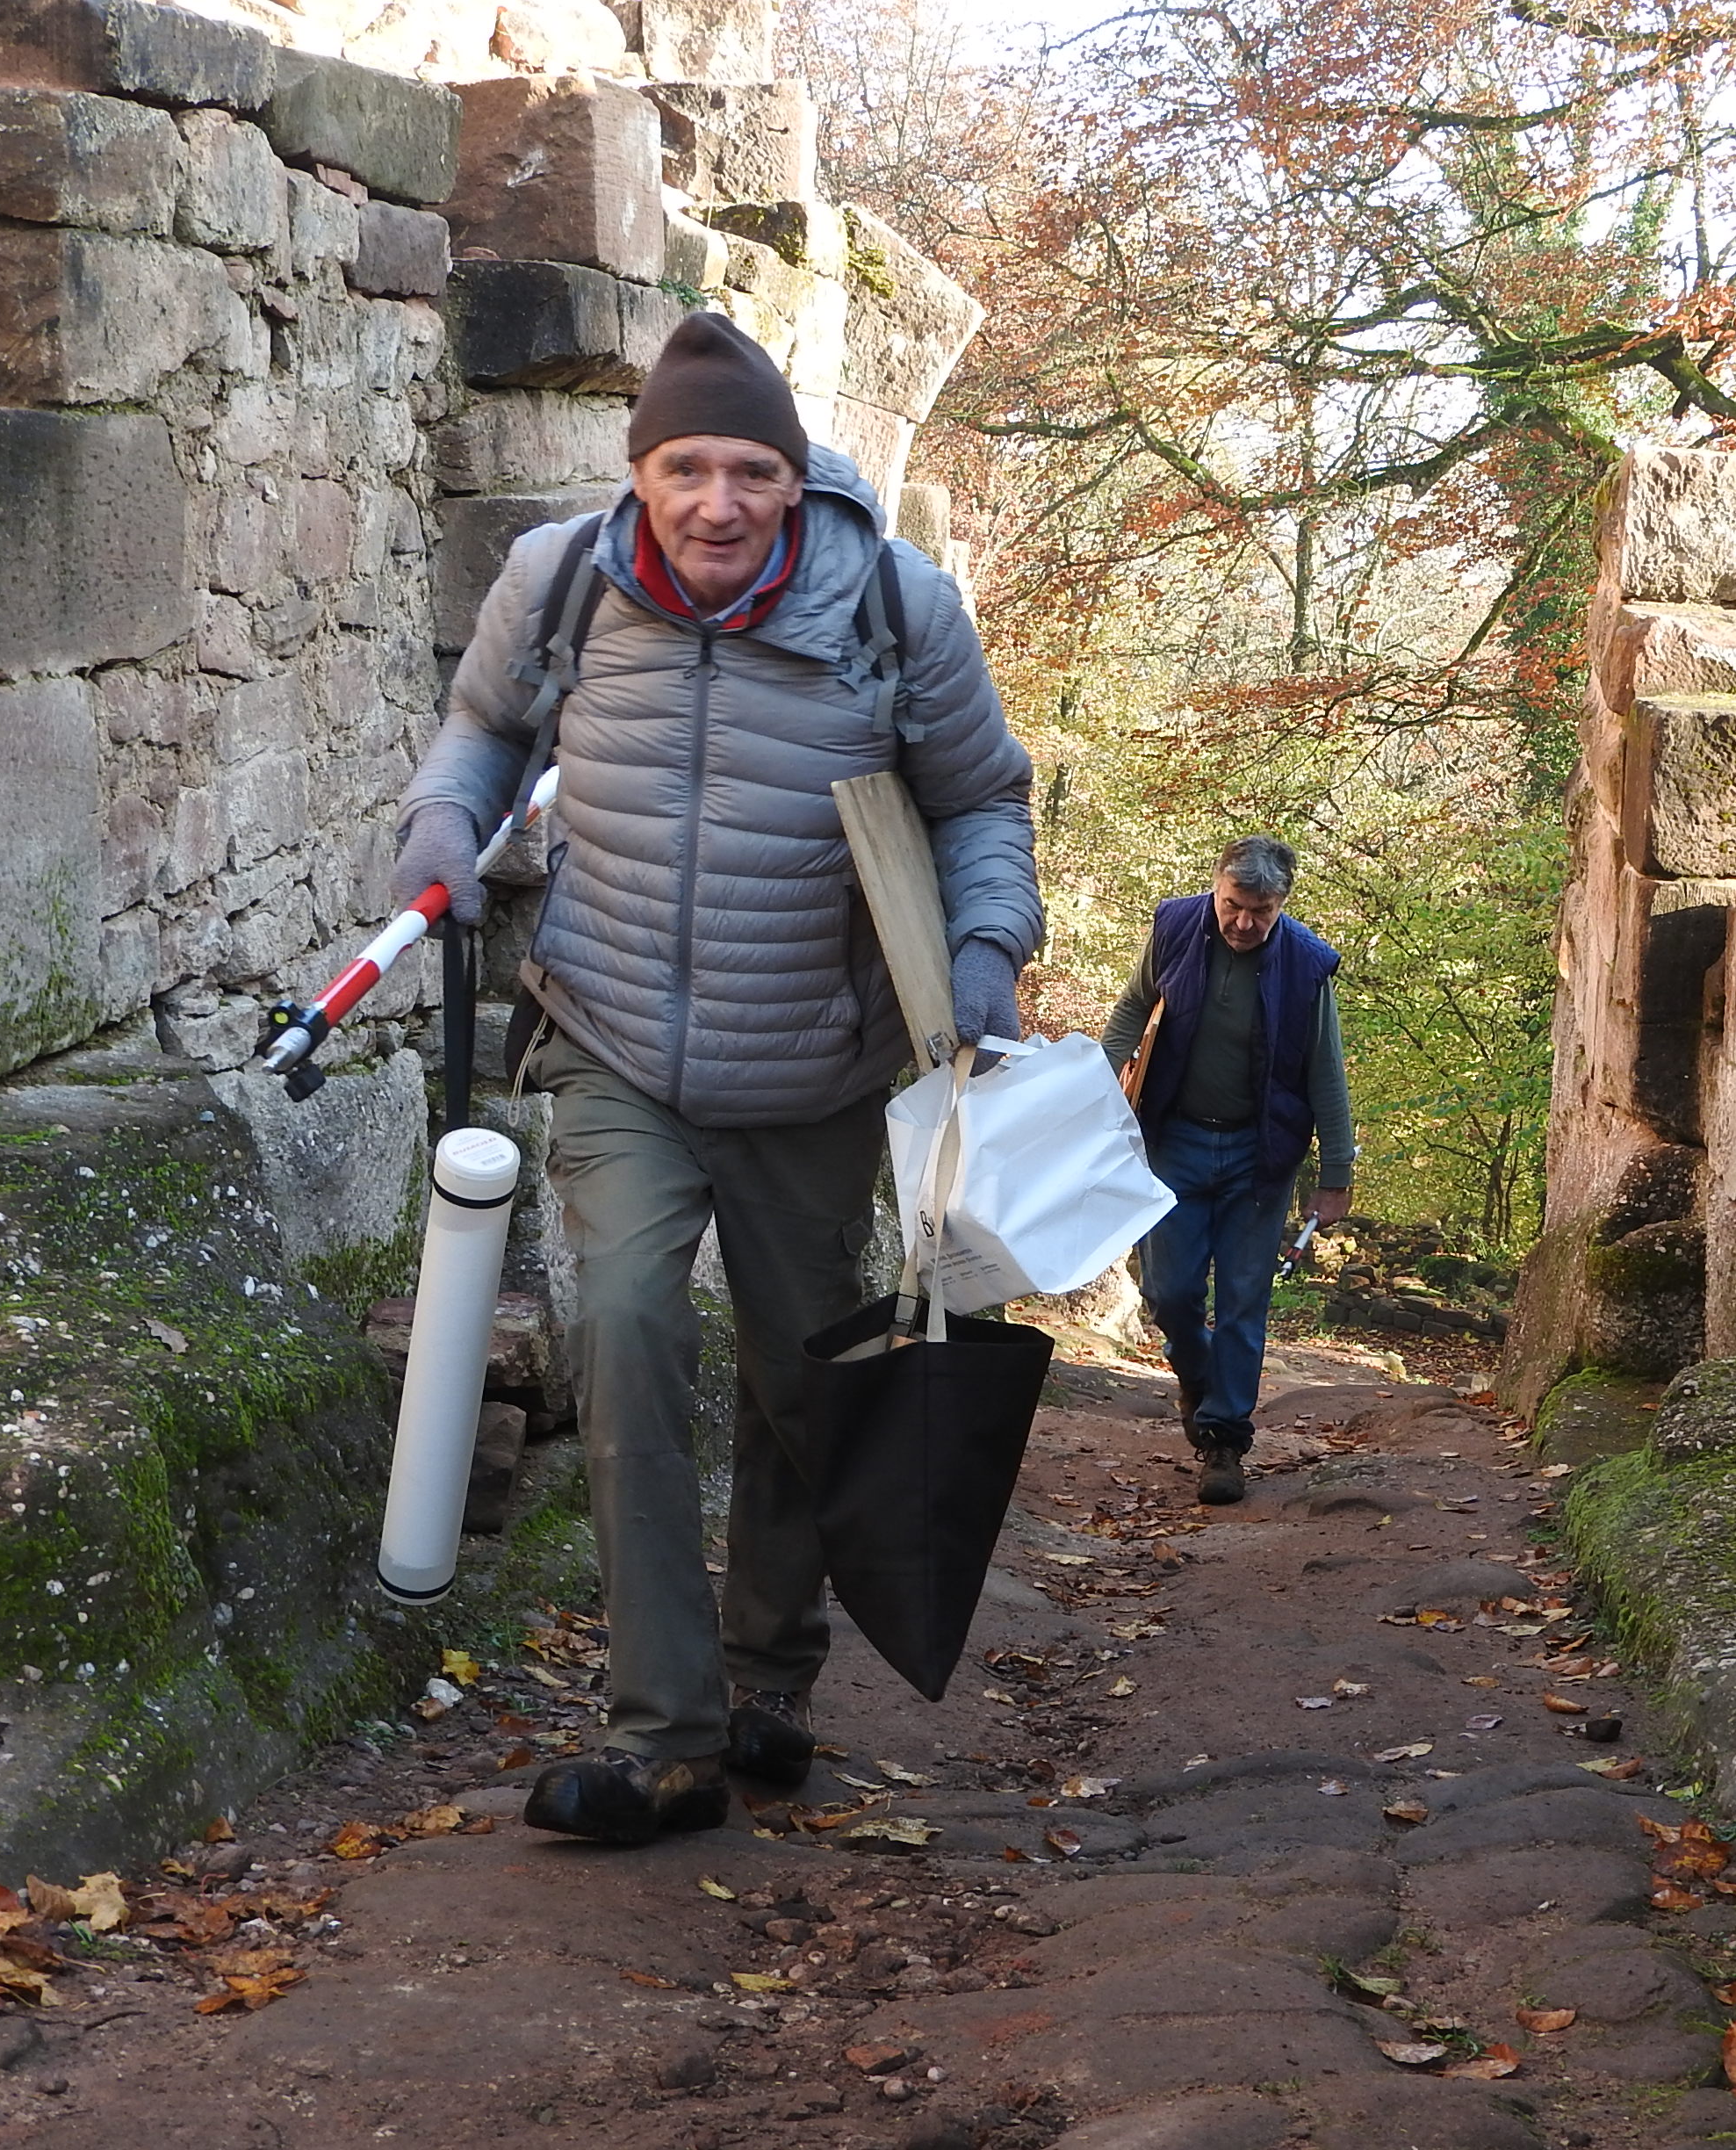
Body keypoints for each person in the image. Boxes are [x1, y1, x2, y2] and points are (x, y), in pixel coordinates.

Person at [393, 314, 1040, 1842]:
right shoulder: (560, 580)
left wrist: (983, 949)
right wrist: (442, 823)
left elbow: (979, 803)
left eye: (751, 470)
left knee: (799, 1381)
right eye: (685, 467)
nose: (717, 501)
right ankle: (663, 1736)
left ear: (796, 480)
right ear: (641, 473)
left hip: (813, 1058)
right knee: (623, 1330)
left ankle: (769, 1674)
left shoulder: (893, 606)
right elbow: (484, 728)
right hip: (611, 1031)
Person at [1101, 837, 1354, 1505]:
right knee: (1169, 1292)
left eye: (1261, 912)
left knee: (1244, 1299)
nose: (1243, 922)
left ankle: (1223, 1441)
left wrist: (1335, 1173)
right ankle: (1199, 1378)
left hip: (1259, 1154)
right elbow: (1131, 1010)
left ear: (1282, 905)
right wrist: (1092, 1093)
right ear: (1215, 888)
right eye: (1233, 905)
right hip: (1174, 1141)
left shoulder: (1306, 966)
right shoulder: (1175, 928)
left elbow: (1325, 1071)